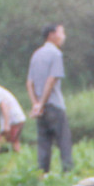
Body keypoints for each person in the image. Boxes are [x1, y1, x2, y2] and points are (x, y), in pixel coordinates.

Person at [26, 23, 73, 175]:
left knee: (44, 144)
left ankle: (42, 176)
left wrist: (36, 105)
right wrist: (42, 103)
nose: (63, 36)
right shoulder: (56, 54)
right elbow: (51, 80)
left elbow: (29, 83)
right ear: (52, 35)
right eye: (62, 32)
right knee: (64, 142)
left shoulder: (36, 54)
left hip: (41, 110)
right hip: (54, 105)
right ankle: (68, 174)